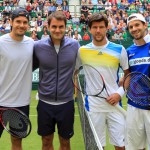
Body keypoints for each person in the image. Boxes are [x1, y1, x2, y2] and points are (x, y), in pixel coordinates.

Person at [78, 13, 130, 150]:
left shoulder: (119, 49)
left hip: (115, 106)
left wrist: (119, 94)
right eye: (95, 27)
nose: (98, 30)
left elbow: (128, 75)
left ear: (107, 28)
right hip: (93, 107)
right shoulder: (82, 51)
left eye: (101, 27)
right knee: (97, 147)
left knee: (121, 146)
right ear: (89, 29)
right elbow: (73, 73)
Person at [33, 11, 80, 150]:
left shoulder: (75, 45)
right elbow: (26, 68)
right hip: (44, 103)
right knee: (46, 141)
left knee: (65, 143)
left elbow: (78, 68)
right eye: (54, 26)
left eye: (61, 27)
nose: (57, 30)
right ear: (47, 27)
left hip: (66, 103)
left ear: (66, 27)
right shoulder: (38, 46)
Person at [0, 7, 34, 150]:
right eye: (18, 21)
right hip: (0, 102)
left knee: (17, 141)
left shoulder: (32, 43)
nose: (21, 25)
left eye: (24, 22)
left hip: (21, 104)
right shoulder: (1, 42)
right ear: (11, 22)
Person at [125, 13, 150, 150]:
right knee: (135, 148)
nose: (134, 29)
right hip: (135, 105)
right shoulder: (128, 52)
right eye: (131, 27)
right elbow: (127, 76)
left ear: (144, 25)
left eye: (137, 25)